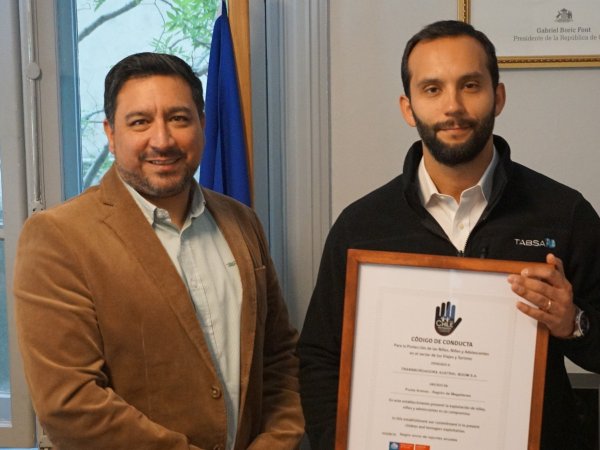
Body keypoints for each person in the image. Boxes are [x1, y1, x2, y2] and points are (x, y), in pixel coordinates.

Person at [298, 20, 600, 450]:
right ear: (408, 108)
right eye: (432, 89)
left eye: (470, 85)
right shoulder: (360, 226)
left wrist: (574, 324)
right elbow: (319, 359)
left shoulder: (563, 213)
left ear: (498, 97)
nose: (452, 106)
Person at [14, 52, 304, 450]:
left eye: (179, 118)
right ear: (111, 134)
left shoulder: (242, 222)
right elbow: (70, 403)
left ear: (203, 125)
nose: (162, 140)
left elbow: (279, 360)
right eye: (140, 122)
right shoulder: (59, 237)